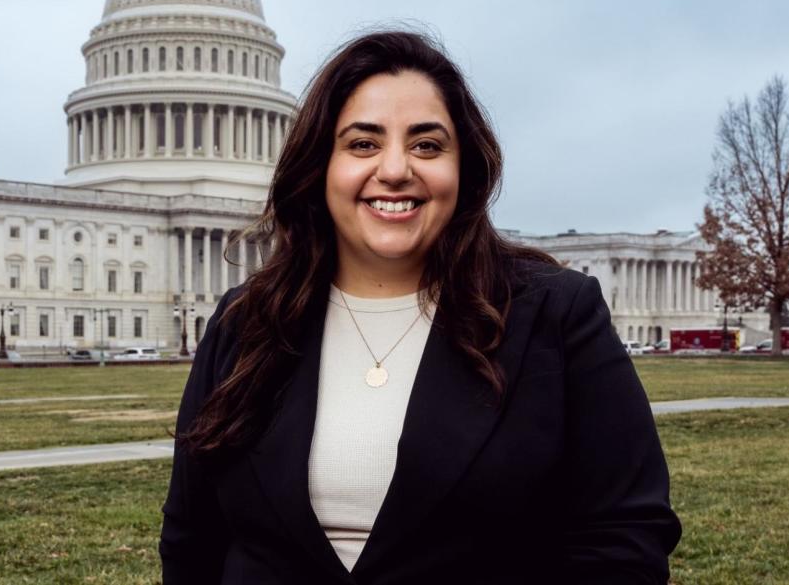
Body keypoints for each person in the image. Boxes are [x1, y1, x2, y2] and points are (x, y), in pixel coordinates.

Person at [160, 31, 681, 584]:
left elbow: (625, 535)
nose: (395, 170)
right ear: (319, 165)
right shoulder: (247, 324)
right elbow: (192, 538)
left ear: (465, 169)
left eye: (426, 145)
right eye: (363, 144)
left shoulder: (552, 314)